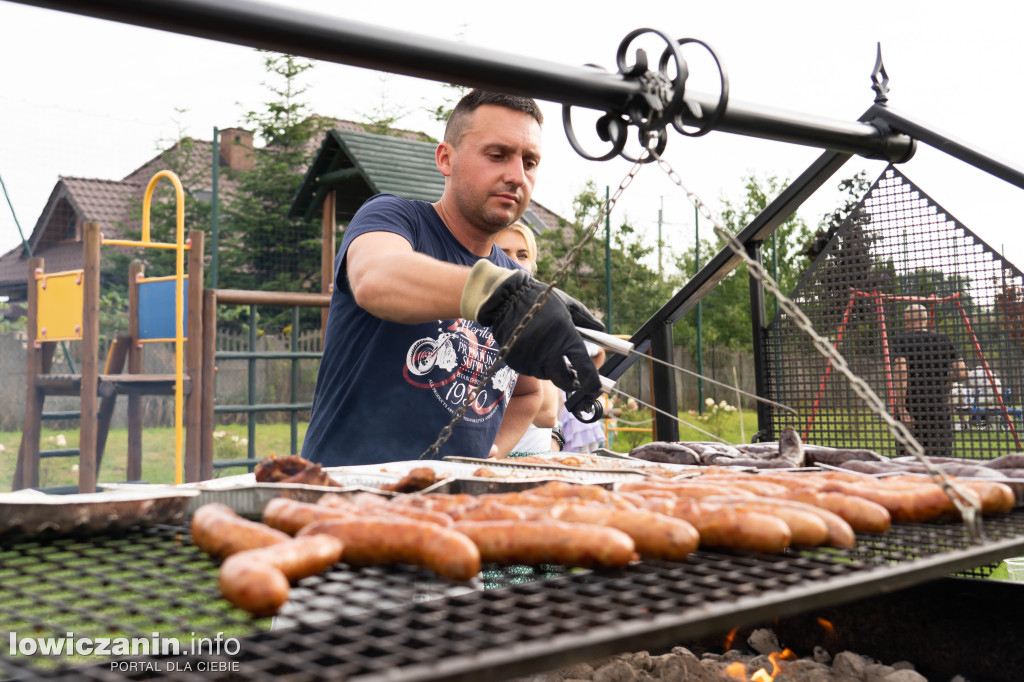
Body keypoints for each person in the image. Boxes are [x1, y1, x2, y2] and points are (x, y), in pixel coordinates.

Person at [300, 90, 604, 467]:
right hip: (344, 497)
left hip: (454, 509)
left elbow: (528, 395)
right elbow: (374, 278)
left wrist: (492, 452)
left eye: (530, 162)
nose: (516, 176)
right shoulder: (394, 219)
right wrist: (495, 293)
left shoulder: (515, 278)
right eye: (497, 155)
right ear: (446, 158)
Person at [494, 222, 561, 453]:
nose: (514, 261)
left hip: (530, 455)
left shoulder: (539, 318)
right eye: (502, 253)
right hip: (492, 454)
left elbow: (548, 414)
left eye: (522, 254)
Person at [891, 303, 968, 457]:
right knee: (940, 460)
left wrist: (901, 408)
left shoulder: (901, 340)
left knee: (909, 462)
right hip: (938, 409)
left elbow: (901, 371)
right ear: (926, 320)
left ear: (906, 321)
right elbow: (962, 373)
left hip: (913, 408)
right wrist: (943, 377)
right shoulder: (943, 340)